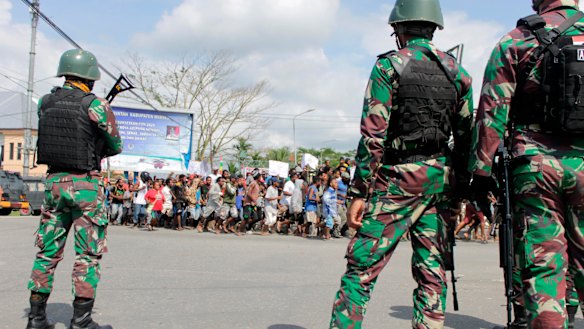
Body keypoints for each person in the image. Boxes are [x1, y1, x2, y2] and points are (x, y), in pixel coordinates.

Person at [329, 0, 474, 327]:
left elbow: (372, 138)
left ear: (399, 29)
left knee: (361, 270)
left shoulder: (389, 67)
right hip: (440, 183)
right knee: (432, 272)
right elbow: (467, 140)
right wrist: (461, 192)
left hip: (397, 181)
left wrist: (359, 192)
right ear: (434, 27)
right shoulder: (458, 73)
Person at [468, 1, 584, 327]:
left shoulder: (516, 40)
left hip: (536, 170)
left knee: (544, 273)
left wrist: (480, 173)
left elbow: (491, 115)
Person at [27, 49, 121, 329]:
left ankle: (36, 319)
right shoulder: (96, 106)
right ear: (90, 78)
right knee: (87, 255)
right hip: (85, 187)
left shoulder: (45, 102)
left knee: (46, 252)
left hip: (54, 184)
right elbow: (116, 145)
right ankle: (81, 320)